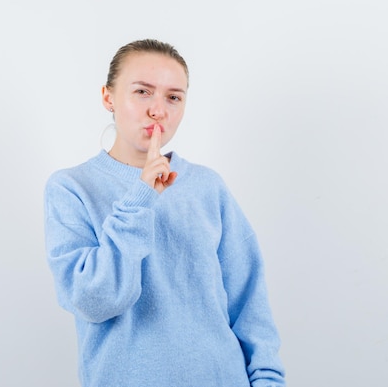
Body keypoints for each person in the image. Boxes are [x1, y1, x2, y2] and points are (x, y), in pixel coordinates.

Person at [43, 39, 285, 387]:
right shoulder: (71, 188)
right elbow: (95, 301)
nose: (159, 110)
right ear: (108, 97)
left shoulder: (207, 186)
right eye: (142, 92)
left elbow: (250, 304)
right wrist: (141, 195)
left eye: (174, 97)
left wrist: (268, 381)